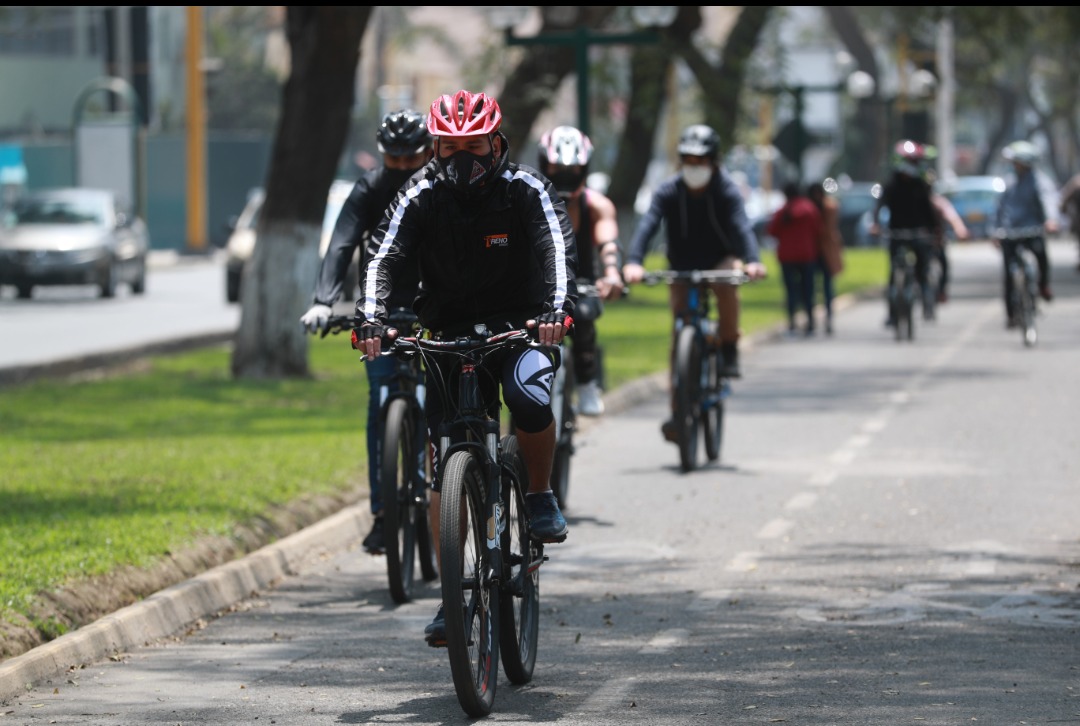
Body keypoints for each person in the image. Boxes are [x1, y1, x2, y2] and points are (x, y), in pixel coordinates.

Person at [353, 89, 577, 646]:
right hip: (447, 334)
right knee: (442, 462)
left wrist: (555, 309)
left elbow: (557, 248)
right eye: (449, 147)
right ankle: (451, 594)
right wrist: (371, 317)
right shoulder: (420, 191)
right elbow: (384, 254)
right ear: (435, 148)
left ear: (497, 142)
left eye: (473, 145)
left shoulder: (527, 189)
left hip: (522, 327)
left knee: (528, 399)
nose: (462, 158)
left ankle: (540, 494)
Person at [298, 109, 434, 555]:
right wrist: (323, 300)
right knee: (380, 408)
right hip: (381, 311)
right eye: (391, 159)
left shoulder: (440, 187)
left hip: (436, 306)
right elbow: (341, 243)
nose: (399, 168)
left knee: (442, 405)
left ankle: (445, 497)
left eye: (409, 159)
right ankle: (383, 514)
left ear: (428, 151)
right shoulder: (369, 189)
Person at [621, 123, 767, 443]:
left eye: (701, 161)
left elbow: (741, 227)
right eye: (688, 160)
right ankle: (678, 413)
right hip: (682, 265)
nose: (694, 167)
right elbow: (647, 226)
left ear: (714, 162)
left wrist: (752, 260)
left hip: (720, 258)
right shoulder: (668, 190)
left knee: (728, 284)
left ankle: (728, 346)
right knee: (680, 336)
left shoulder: (726, 189)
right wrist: (633, 261)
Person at [536, 125, 624, 416]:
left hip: (583, 283)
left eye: (572, 168)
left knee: (583, 316)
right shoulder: (526, 200)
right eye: (556, 167)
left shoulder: (597, 206)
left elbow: (608, 241)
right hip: (537, 286)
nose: (564, 174)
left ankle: (587, 382)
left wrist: (611, 273)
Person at [869, 139, 942, 327]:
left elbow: (929, 210)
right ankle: (893, 314)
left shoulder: (921, 184)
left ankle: (926, 301)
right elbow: (879, 205)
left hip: (918, 232)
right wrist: (876, 224)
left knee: (922, 267)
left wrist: (935, 230)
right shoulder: (892, 184)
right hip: (897, 232)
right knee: (894, 273)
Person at [994, 140, 1057, 327]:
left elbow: (1048, 200)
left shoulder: (1040, 181)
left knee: (1042, 257)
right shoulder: (1008, 181)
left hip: (1033, 230)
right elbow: (999, 208)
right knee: (1008, 273)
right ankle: (1011, 314)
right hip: (1010, 233)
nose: (1015, 166)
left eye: (1017, 162)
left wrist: (1051, 221)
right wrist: (995, 231)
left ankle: (1043, 285)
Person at [767, 181, 823, 336]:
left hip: (787, 256)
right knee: (808, 290)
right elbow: (818, 229)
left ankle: (792, 323)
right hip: (806, 255)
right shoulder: (809, 209)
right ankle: (810, 323)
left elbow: (772, 231)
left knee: (790, 291)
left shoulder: (783, 211)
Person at [806, 180, 843, 335]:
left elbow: (827, 229)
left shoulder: (829, 207)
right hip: (811, 252)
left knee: (828, 287)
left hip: (826, 251)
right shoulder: (808, 208)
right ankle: (811, 319)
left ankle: (828, 318)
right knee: (810, 287)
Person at [1057, 171, 1080, 271]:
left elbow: (1064, 200)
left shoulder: (1076, 182)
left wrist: (1063, 210)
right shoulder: (1076, 182)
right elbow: (1065, 199)